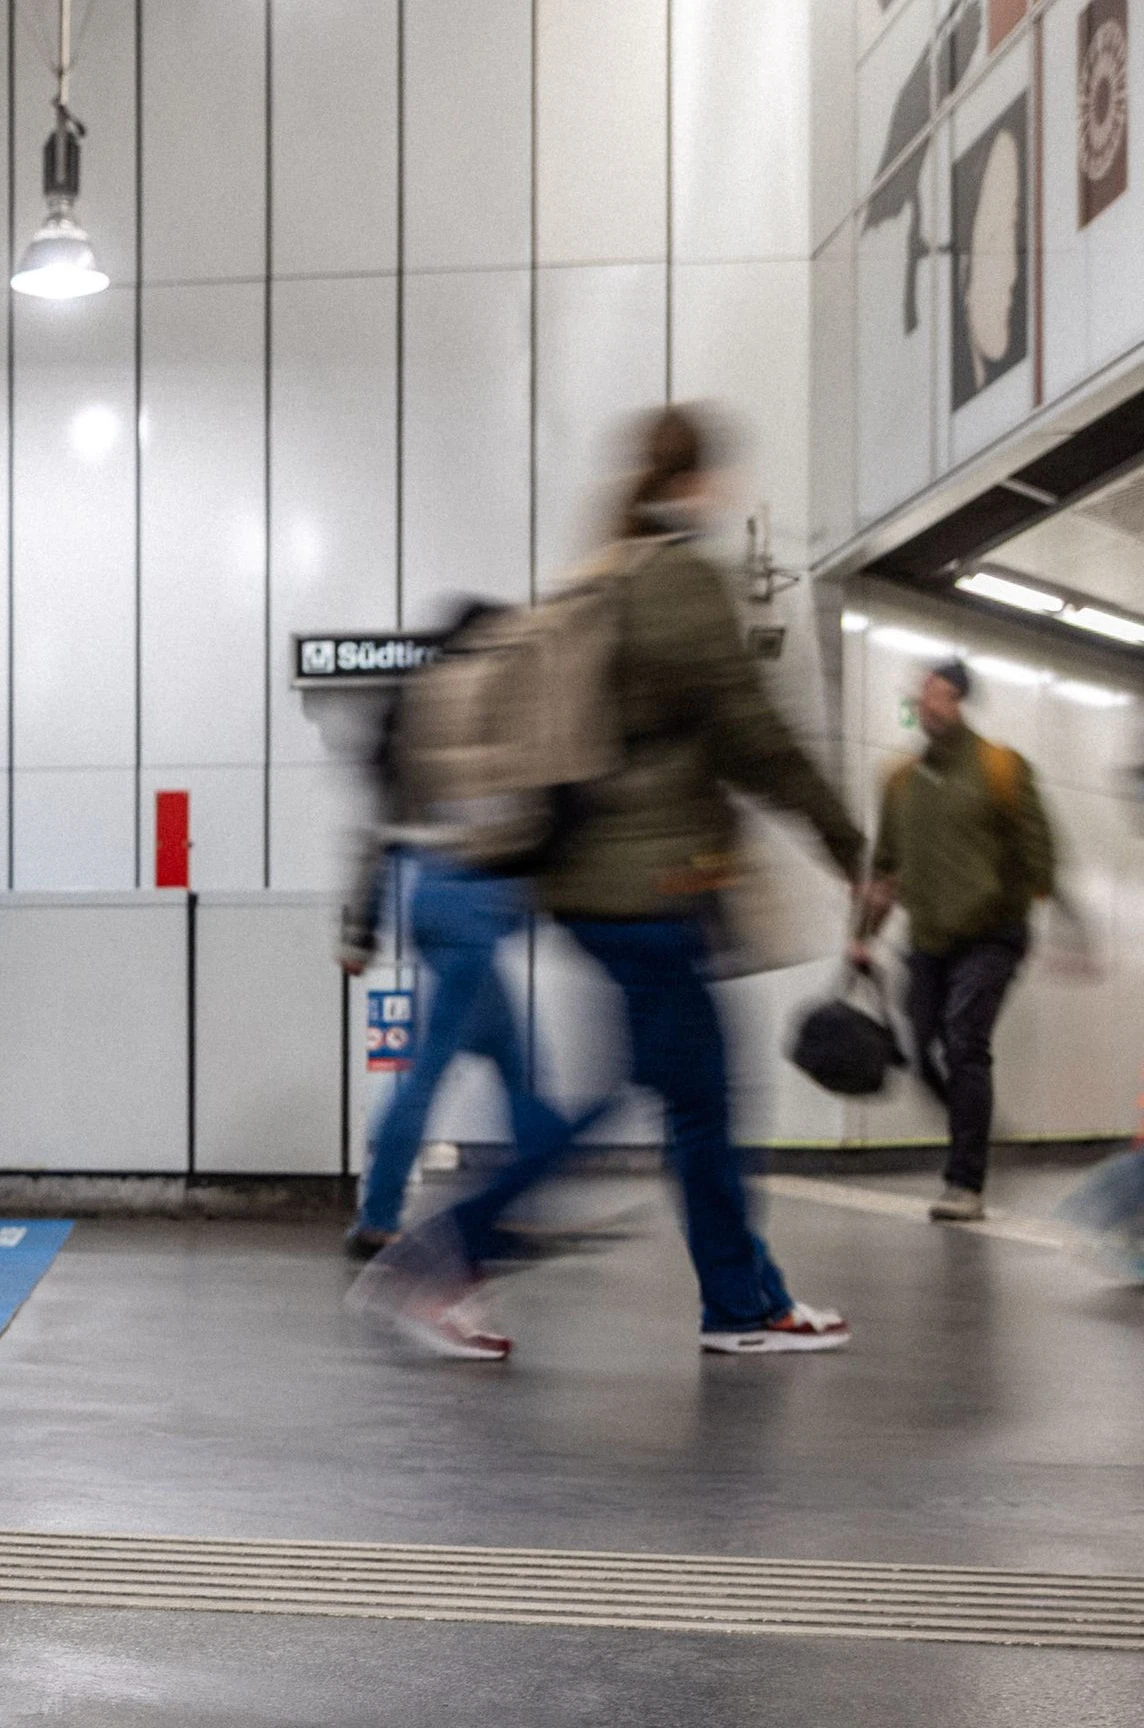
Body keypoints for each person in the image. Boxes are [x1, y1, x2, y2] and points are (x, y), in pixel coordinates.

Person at [354, 406, 867, 1361]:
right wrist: (841, 833)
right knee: (661, 1093)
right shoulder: (677, 584)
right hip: (654, 889)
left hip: (596, 886)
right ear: (696, 481)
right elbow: (751, 730)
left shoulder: (600, 574)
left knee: (696, 1097)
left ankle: (746, 1305)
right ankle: (448, 1256)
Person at [338, 598, 568, 1260]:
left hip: (429, 893)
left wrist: (361, 931)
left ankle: (513, 1203)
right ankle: (380, 1216)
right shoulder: (480, 702)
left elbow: (378, 835)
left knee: (516, 1063)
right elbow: (519, 814)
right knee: (430, 1065)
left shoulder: (417, 707)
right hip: (467, 900)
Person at [853, 655, 1056, 1222]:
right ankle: (978, 1129)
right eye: (923, 694)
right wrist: (862, 936)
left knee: (966, 1042)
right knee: (921, 1052)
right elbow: (886, 866)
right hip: (929, 939)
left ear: (960, 702)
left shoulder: (1000, 767)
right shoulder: (899, 781)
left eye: (939, 693)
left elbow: (1039, 850)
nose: (928, 703)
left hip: (992, 935)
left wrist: (1041, 909)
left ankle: (965, 1182)